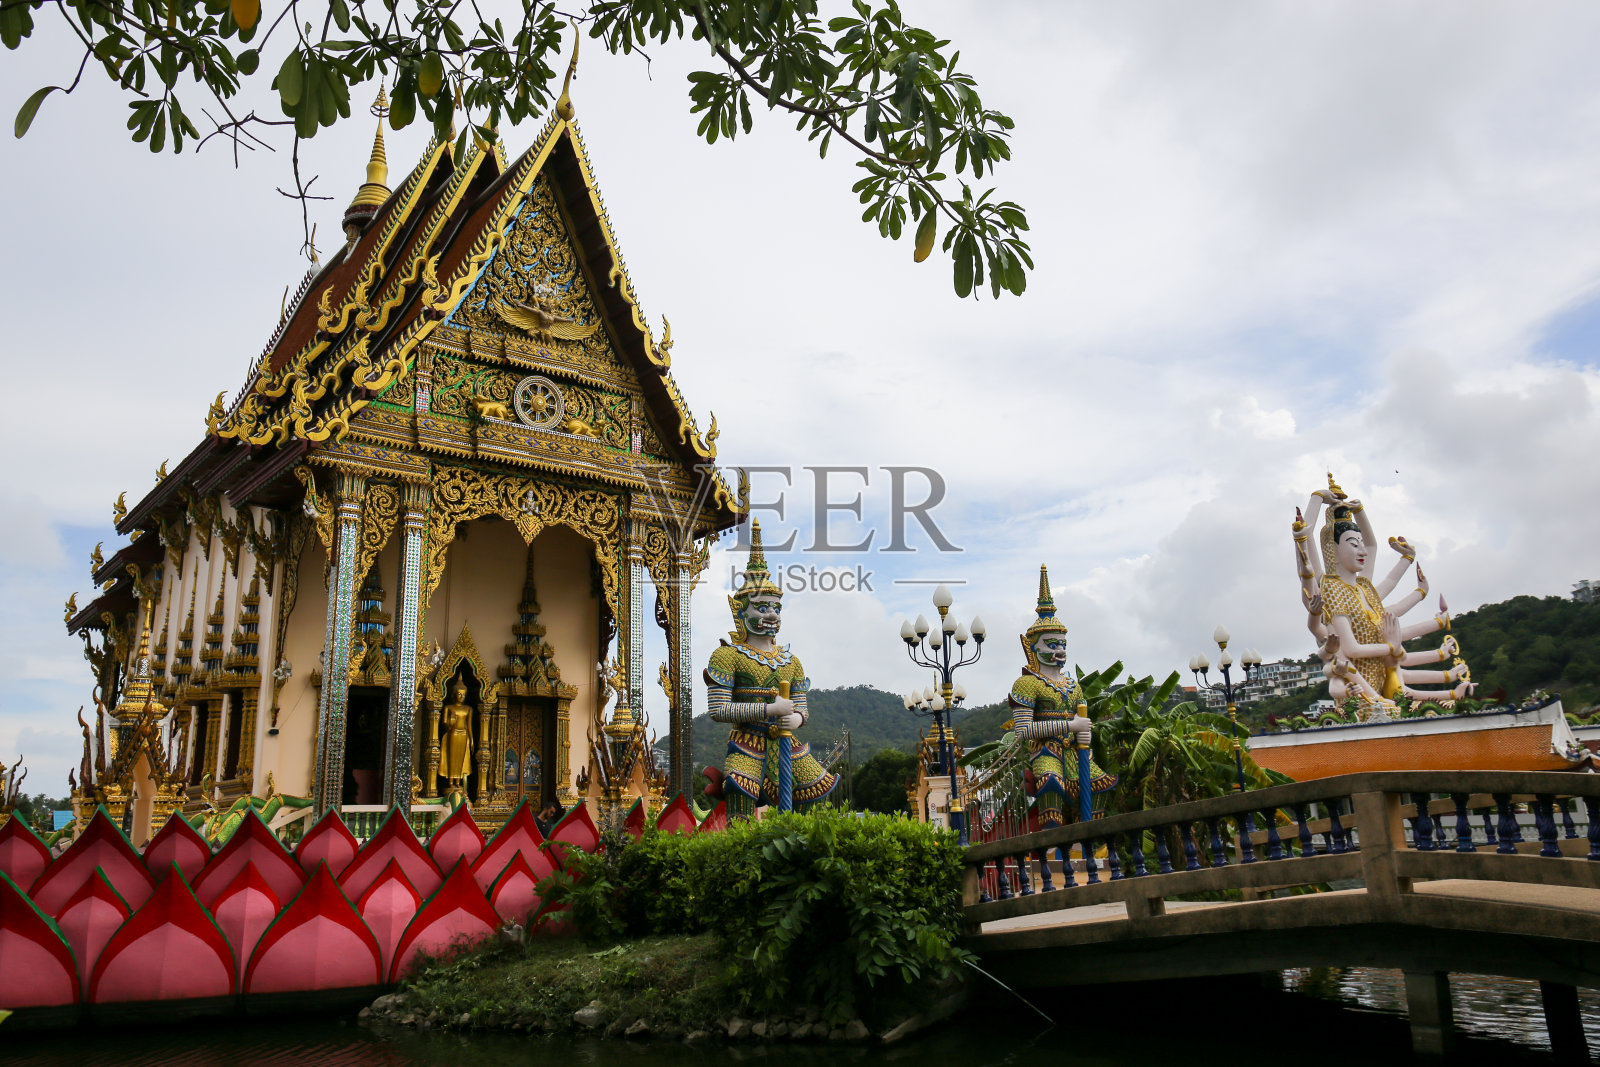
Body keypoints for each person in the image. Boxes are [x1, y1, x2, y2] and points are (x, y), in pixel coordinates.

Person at [704, 520, 837, 815]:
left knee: (816, 792)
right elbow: (718, 710)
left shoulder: (791, 661)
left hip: (785, 742)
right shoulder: (727, 656)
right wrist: (769, 710)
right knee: (740, 792)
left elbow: (802, 708)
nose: (773, 615)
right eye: (762, 608)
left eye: (776, 608)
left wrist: (797, 719)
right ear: (741, 611)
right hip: (746, 741)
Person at [1006, 565, 1115, 828]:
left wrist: (1084, 733)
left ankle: (1089, 837)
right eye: (1051, 644)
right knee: (1050, 784)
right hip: (1046, 749)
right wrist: (1070, 726)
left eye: (1062, 644)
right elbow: (1024, 730)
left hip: (1075, 750)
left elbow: (1083, 720)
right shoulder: (1027, 684)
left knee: (1099, 785)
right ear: (1033, 648)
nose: (1060, 650)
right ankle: (1052, 841)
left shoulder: (1073, 686)